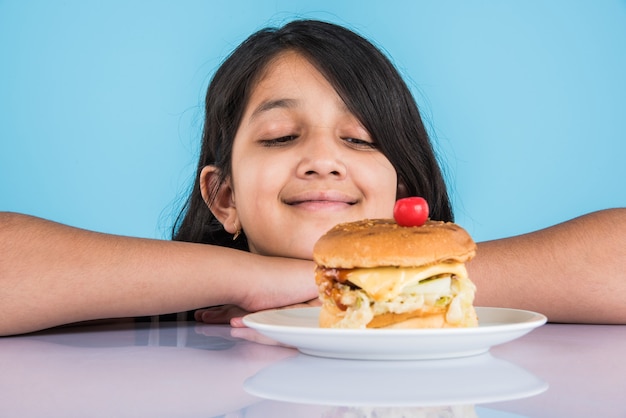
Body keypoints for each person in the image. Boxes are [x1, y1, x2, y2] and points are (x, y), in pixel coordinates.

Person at [0, 20, 624, 337]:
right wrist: (250, 279)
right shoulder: (163, 311)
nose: (323, 159)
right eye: (280, 137)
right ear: (223, 197)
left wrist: (363, 287)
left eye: (359, 139)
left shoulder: (452, 317)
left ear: (407, 200)